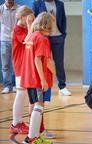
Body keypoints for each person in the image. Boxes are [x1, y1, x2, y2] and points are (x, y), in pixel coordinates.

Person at [21, 12, 55, 144]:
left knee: (34, 104)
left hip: (29, 77)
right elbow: (39, 60)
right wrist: (43, 79)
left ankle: (34, 135)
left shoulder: (31, 36)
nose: (52, 26)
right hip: (37, 78)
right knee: (39, 106)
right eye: (51, 23)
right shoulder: (42, 39)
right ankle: (31, 138)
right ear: (46, 24)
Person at [32, 0, 71, 96]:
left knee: (59, 63)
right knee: (44, 61)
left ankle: (62, 87)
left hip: (58, 37)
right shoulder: (37, 4)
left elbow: (63, 20)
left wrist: (63, 35)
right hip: (43, 37)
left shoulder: (60, 4)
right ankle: (43, 84)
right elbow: (34, 20)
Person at [9, 5, 34, 135]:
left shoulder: (23, 28)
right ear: (23, 17)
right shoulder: (17, 29)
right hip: (20, 65)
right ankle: (15, 123)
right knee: (21, 93)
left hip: (26, 64)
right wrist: (30, 24)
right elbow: (28, 40)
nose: (31, 20)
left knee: (23, 93)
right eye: (29, 18)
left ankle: (18, 122)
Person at [0, 0, 18, 94]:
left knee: (15, 64)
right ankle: (7, 85)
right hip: (4, 40)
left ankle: (15, 85)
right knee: (5, 65)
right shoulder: (1, 8)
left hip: (16, 40)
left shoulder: (19, 8)